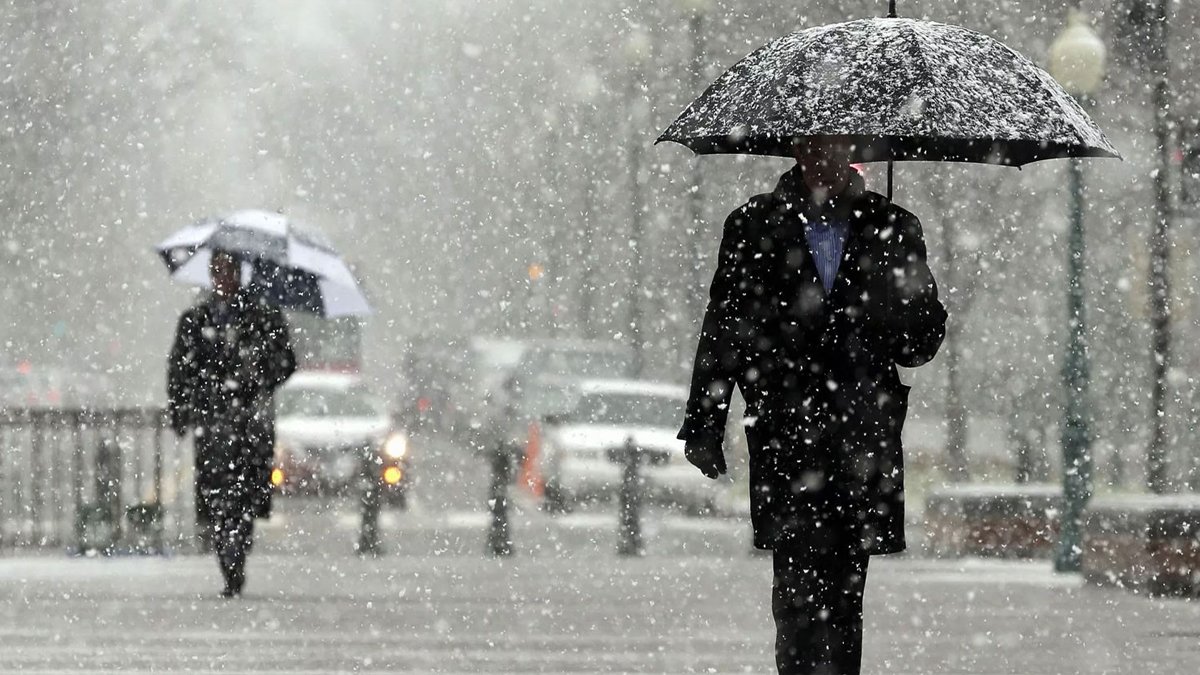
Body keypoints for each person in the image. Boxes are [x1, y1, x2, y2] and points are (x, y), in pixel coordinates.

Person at [679, 137, 946, 674]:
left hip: (861, 439)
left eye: (833, 141)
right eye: (811, 141)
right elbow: (725, 328)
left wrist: (900, 305)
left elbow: (918, 345)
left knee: (846, 598)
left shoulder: (894, 228)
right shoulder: (752, 224)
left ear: (855, 146)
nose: (820, 153)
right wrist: (705, 422)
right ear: (794, 146)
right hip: (786, 433)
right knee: (797, 597)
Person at [168, 250, 296, 597]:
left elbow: (286, 362)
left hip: (250, 425)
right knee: (219, 498)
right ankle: (229, 559)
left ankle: (237, 552)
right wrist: (183, 411)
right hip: (213, 425)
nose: (223, 278)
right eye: (217, 270)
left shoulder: (263, 317)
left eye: (229, 270)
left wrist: (256, 373)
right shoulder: (195, 320)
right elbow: (180, 370)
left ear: (240, 274)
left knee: (245, 499)